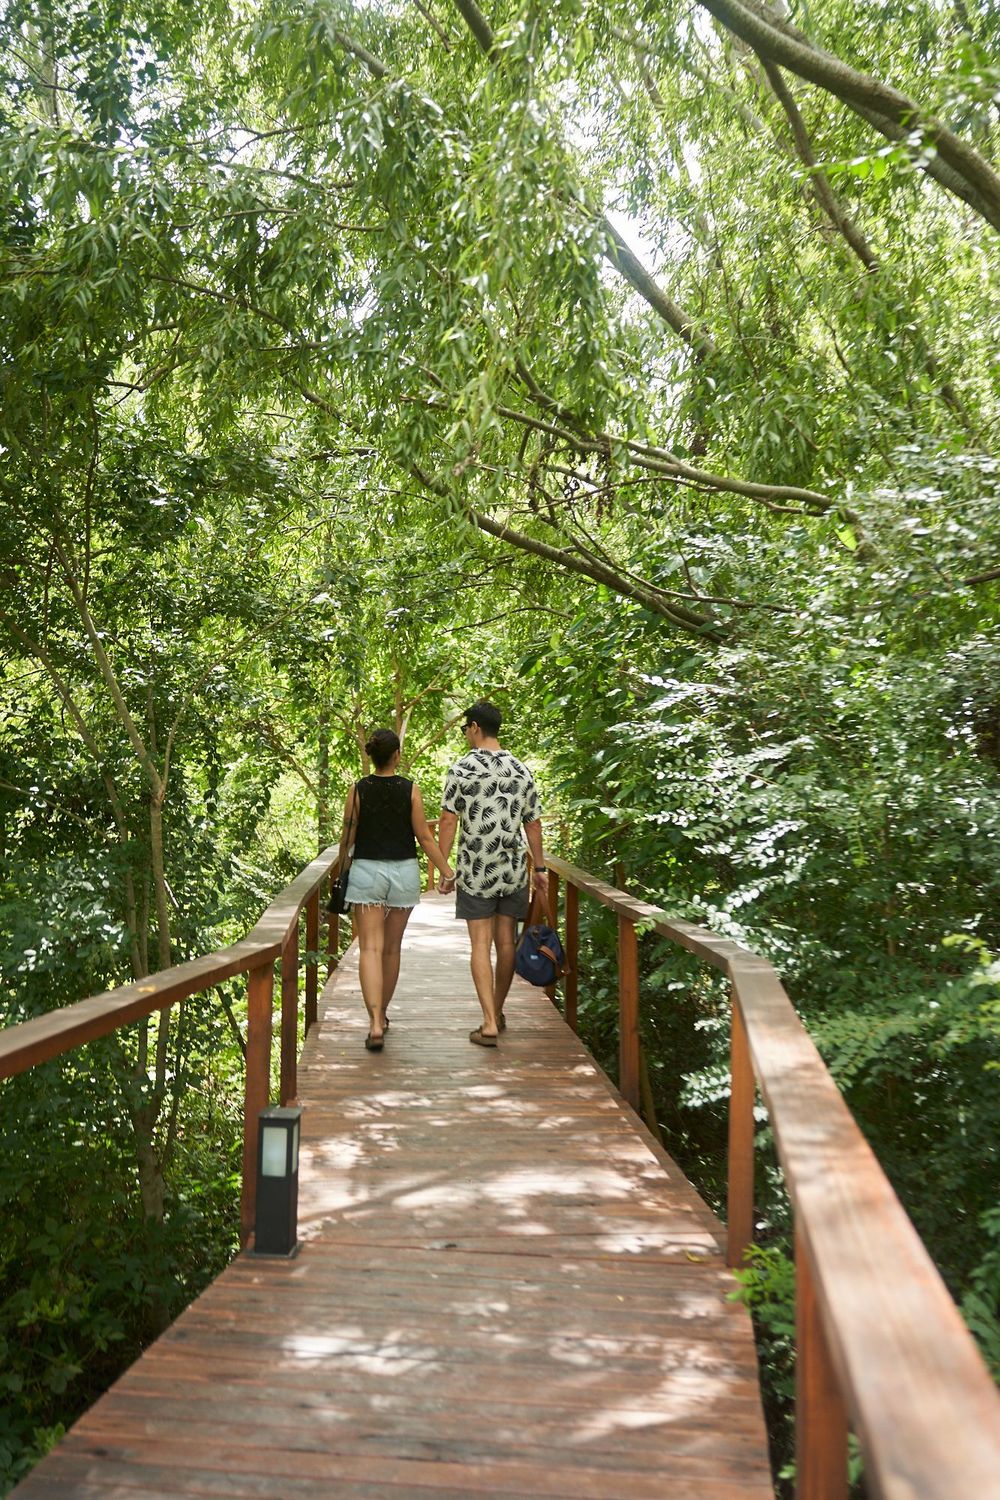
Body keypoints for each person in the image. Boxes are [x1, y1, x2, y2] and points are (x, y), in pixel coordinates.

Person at [437, 701, 548, 1047]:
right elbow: (533, 823)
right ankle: (496, 1012)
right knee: (506, 943)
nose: (465, 735)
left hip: (476, 869)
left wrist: (443, 868)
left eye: (465, 729)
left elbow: (448, 820)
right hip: (512, 868)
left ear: (474, 727)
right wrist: (540, 867)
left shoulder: (461, 769)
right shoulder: (521, 770)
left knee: (480, 946)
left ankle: (488, 1022)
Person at [338, 729, 455, 1051]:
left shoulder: (357, 790)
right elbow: (425, 837)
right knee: (391, 949)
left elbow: (347, 837)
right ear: (397, 756)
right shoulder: (410, 789)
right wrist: (447, 871)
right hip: (403, 873)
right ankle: (383, 1014)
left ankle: (375, 1022)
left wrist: (342, 874)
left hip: (366, 872)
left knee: (370, 949)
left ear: (372, 756)